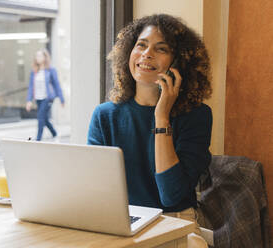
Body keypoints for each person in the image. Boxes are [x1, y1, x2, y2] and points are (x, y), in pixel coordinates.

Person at [87, 14, 212, 247]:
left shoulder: (197, 116)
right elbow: (96, 191)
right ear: (129, 53)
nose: (147, 53)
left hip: (174, 221)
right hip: (122, 222)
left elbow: (171, 196)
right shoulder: (105, 115)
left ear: (178, 64)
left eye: (161, 49)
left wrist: (161, 116)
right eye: (141, 45)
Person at [26, 49, 65, 141]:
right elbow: (31, 86)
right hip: (38, 98)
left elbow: (56, 84)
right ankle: (55, 133)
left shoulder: (51, 70)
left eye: (40, 56)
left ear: (45, 57)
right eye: (36, 56)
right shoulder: (34, 71)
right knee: (44, 118)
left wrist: (61, 99)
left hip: (48, 98)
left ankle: (38, 139)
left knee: (40, 117)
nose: (37, 58)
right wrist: (29, 100)